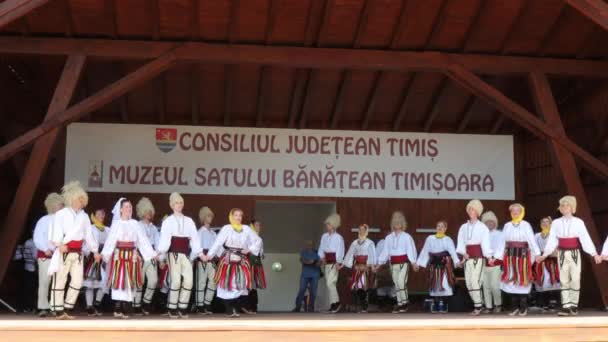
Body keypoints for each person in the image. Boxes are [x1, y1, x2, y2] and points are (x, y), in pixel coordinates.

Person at [536, 195, 602, 316]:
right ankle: (566, 306)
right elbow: (552, 240)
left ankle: (574, 305)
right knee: (563, 279)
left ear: (572, 207)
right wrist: (544, 255)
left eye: (567, 205)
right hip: (561, 253)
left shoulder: (578, 222)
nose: (564, 208)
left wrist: (594, 254)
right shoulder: (556, 222)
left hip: (574, 253)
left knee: (575, 278)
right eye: (562, 206)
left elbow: (585, 239)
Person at [48, 181, 100, 320]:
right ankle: (57, 309)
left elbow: (88, 235)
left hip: (78, 253)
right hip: (64, 250)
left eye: (82, 199)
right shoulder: (61, 214)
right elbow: (56, 231)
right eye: (79, 198)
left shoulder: (84, 216)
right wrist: (59, 245)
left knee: (77, 281)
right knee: (60, 279)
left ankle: (67, 307)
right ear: (71, 198)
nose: (81, 201)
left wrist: (95, 251)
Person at [101, 198, 157, 319]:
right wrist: (105, 255)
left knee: (129, 280)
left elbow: (142, 240)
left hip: (132, 256)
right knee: (119, 279)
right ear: (120, 209)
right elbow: (110, 240)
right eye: (126, 207)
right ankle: (118, 305)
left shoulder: (135, 224)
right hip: (119, 256)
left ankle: (126, 305)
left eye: (130, 207)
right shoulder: (116, 224)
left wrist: (151, 253)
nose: (129, 209)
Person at [204, 208, 262, 318]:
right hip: (228, 260)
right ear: (231, 216)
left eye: (240, 215)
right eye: (236, 215)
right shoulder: (227, 228)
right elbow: (218, 242)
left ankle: (234, 308)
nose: (238, 217)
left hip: (241, 259)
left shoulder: (246, 229)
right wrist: (209, 255)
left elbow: (257, 240)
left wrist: (249, 249)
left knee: (240, 284)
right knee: (227, 284)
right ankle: (229, 309)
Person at [157, 192, 201, 318]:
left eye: (181, 202)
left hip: (185, 255)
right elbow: (165, 240)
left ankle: (182, 306)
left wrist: (196, 254)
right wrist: (161, 256)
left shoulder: (189, 221)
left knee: (189, 280)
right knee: (175, 280)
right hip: (173, 254)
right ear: (172, 205)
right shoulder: (168, 221)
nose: (179, 205)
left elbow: (195, 239)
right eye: (176, 202)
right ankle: (172, 306)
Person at [493, 203, 540, 316]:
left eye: (517, 211)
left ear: (521, 212)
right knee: (511, 280)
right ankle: (514, 308)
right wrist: (496, 257)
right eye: (513, 211)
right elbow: (502, 242)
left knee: (522, 280)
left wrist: (537, 253)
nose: (515, 213)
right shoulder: (507, 225)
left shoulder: (525, 225)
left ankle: (523, 308)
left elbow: (531, 240)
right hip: (510, 256)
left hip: (522, 257)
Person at [376, 211, 418, 313]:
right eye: (395, 222)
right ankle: (400, 304)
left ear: (403, 224)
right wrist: (378, 264)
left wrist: (413, 262)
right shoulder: (389, 238)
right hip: (393, 264)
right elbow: (385, 252)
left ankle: (405, 302)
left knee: (401, 282)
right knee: (396, 283)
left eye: (399, 222)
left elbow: (411, 250)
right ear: (392, 224)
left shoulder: (406, 237)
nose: (397, 224)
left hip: (403, 263)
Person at [456, 199, 492, 315]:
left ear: (478, 212)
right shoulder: (463, 227)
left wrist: (489, 256)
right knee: (469, 283)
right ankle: (479, 303)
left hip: (478, 258)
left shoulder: (483, 227)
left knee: (475, 281)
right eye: (470, 209)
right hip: (467, 258)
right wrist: (463, 254)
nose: (471, 211)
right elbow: (460, 243)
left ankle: (478, 306)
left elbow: (485, 244)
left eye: (474, 209)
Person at [416, 220, 459, 314]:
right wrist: (419, 263)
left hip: (444, 265)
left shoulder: (448, 239)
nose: (440, 228)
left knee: (444, 283)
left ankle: (443, 304)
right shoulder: (430, 238)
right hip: (434, 265)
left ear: (445, 229)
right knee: (435, 284)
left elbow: (452, 252)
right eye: (438, 226)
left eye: (442, 226)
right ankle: (436, 302)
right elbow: (425, 251)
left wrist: (457, 262)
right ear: (436, 228)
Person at [33, 192, 64, 317]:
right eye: (60, 204)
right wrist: (45, 248)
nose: (62, 207)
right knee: (45, 281)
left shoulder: (63, 221)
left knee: (58, 282)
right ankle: (42, 307)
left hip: (59, 255)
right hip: (45, 255)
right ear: (52, 205)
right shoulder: (43, 220)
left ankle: (55, 306)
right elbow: (37, 237)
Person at [133, 197, 160, 315]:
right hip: (141, 256)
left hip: (152, 257)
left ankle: (146, 302)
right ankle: (136, 305)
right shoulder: (137, 225)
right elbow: (135, 241)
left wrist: (160, 257)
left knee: (153, 281)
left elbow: (158, 243)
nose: (149, 213)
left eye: (150, 211)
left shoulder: (154, 228)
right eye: (147, 211)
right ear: (142, 212)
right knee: (139, 281)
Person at [343, 224, 376, 313]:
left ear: (366, 231)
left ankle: (364, 305)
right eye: (360, 230)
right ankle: (363, 304)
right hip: (357, 267)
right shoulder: (355, 243)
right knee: (357, 286)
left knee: (363, 285)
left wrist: (371, 265)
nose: (361, 231)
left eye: (363, 230)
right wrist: (345, 264)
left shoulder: (370, 243)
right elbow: (350, 254)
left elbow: (372, 255)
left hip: (365, 267)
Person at [83, 208, 110, 316]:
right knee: (90, 283)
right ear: (94, 215)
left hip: (104, 258)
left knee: (104, 282)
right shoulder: (90, 228)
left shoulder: (108, 229)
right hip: (93, 257)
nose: (101, 216)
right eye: (98, 214)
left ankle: (97, 303)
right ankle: (89, 306)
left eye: (102, 214)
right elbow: (86, 243)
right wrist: (92, 253)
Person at [193, 206, 218, 315]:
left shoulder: (213, 233)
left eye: (211, 216)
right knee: (201, 283)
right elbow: (195, 246)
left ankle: (207, 303)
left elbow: (218, 247)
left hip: (211, 260)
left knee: (213, 282)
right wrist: (192, 259)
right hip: (202, 259)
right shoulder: (200, 232)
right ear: (203, 217)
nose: (210, 218)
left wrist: (223, 255)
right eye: (208, 216)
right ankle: (200, 305)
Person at [318, 213, 345, 313]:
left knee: (330, 283)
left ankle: (336, 303)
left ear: (333, 225)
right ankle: (333, 304)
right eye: (326, 224)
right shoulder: (324, 236)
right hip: (327, 262)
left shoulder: (338, 237)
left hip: (334, 263)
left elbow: (340, 250)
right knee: (329, 283)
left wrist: (338, 262)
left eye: (328, 224)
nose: (327, 226)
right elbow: (321, 248)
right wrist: (322, 258)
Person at [534, 216, 560, 312]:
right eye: (543, 222)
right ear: (540, 224)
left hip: (552, 260)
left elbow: (557, 247)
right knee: (542, 281)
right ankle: (544, 303)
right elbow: (533, 247)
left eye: (547, 222)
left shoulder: (554, 235)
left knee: (552, 280)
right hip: (541, 261)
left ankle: (552, 303)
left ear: (550, 224)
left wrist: (553, 253)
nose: (545, 224)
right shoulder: (537, 235)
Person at [481, 210, 504, 314]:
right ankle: (488, 306)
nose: (489, 224)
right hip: (484, 263)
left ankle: (498, 304)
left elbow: (501, 248)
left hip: (496, 263)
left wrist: (494, 258)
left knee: (495, 285)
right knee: (486, 286)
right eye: (487, 222)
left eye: (491, 222)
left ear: (495, 223)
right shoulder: (482, 235)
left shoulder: (500, 234)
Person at [293, 240, 321, 313]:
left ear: (313, 245)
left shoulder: (318, 252)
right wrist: (311, 262)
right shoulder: (303, 252)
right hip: (305, 274)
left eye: (311, 244)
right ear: (306, 245)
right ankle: (297, 307)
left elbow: (319, 263)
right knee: (302, 290)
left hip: (315, 274)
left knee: (313, 292)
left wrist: (314, 262)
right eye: (308, 244)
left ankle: (311, 308)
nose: (310, 245)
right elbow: (302, 260)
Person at [13, 235, 37, 313]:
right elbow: (35, 257)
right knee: (29, 288)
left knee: (30, 288)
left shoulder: (29, 242)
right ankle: (29, 307)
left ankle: (30, 307)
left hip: (30, 267)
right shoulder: (31, 242)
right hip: (30, 268)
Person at [246, 219, 266, 313]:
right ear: (252, 226)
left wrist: (262, 254)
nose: (259, 227)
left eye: (259, 225)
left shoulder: (259, 238)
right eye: (257, 225)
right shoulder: (249, 237)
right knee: (249, 283)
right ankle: (248, 306)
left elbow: (261, 252)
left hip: (256, 262)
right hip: (250, 262)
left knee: (254, 284)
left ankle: (253, 306)